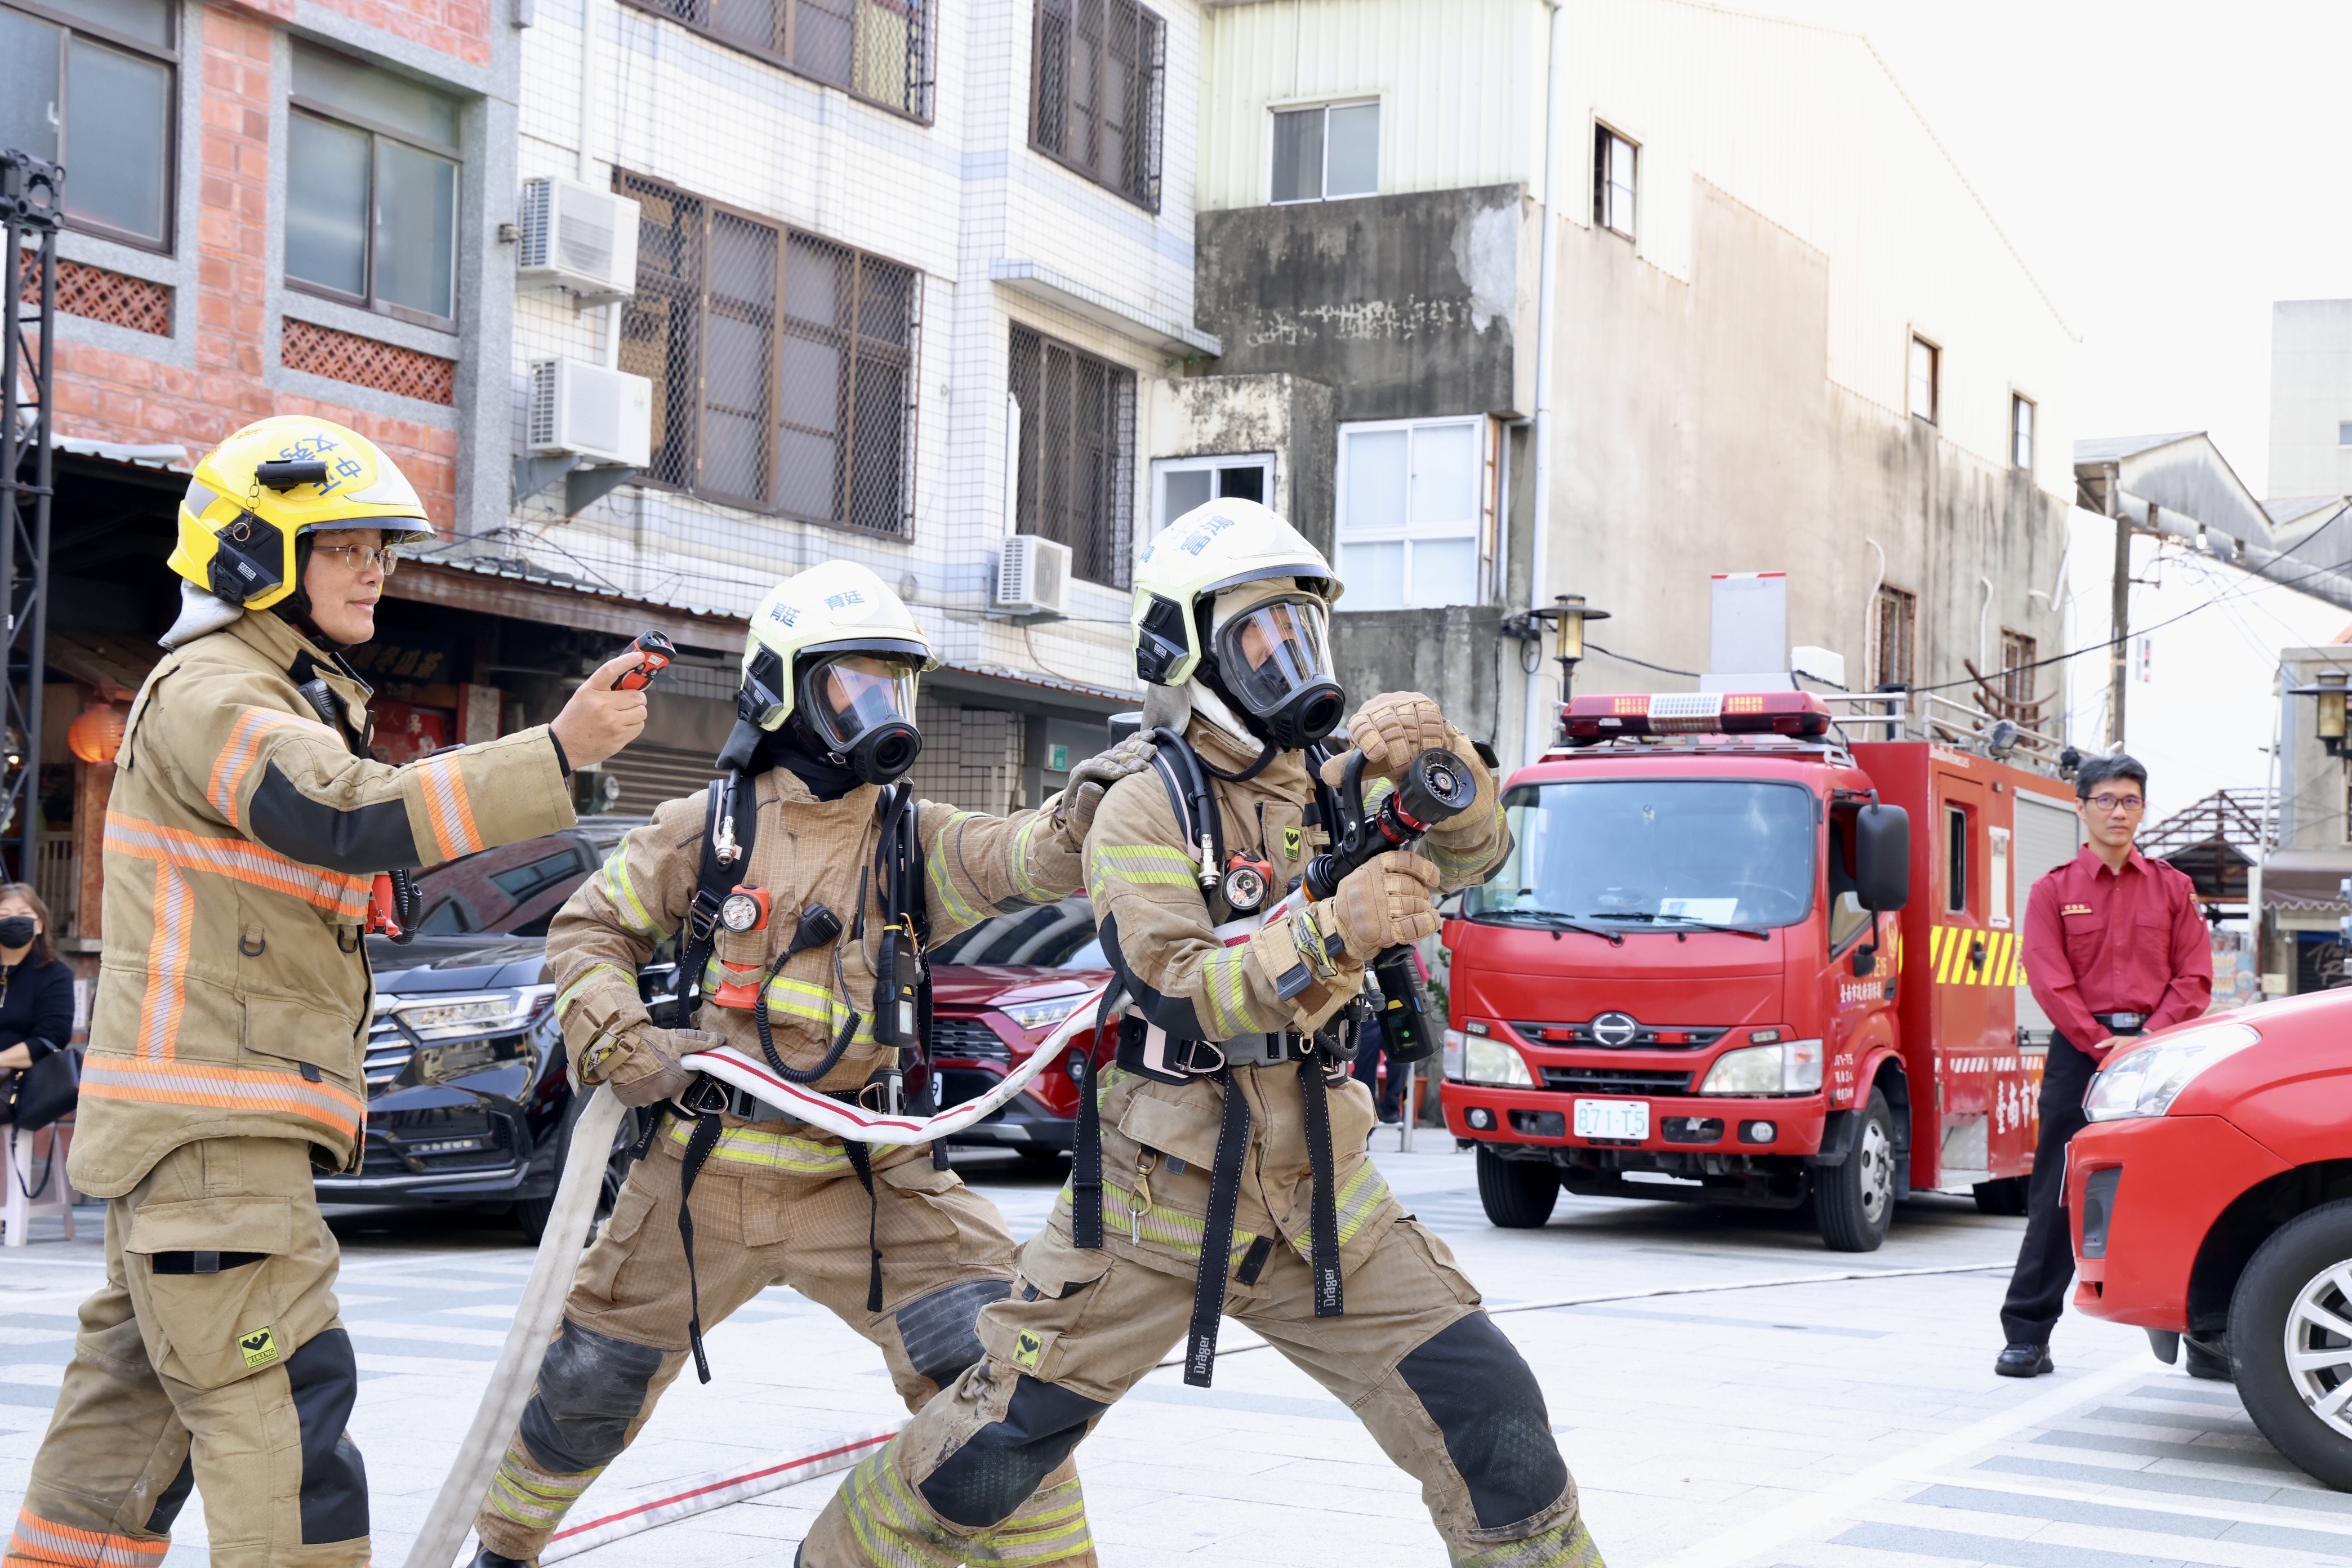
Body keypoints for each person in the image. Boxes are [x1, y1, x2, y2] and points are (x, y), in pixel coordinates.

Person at [799, 500, 1603, 1568]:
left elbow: (1474, 855)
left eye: (1301, 631)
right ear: (1188, 648)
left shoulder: (1332, 783)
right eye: (1259, 636)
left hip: (1326, 1190)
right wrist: (1331, 931)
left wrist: (1447, 773)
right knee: (989, 1451)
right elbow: (1177, 984)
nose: (1290, 659)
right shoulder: (1142, 802)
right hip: (1152, 1201)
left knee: (1501, 1425)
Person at [6, 415, 649, 1568]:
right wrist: (555, 754)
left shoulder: (268, 691)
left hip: (199, 1140)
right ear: (256, 555)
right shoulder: (216, 691)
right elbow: (343, 814)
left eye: (382, 547)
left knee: (117, 1455)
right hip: (215, 1141)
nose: (377, 569)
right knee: (288, 1429)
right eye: (344, 543)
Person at [465, 560, 1152, 1568]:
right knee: (589, 1379)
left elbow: (1025, 856)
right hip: (705, 1172)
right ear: (781, 691)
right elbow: (588, 928)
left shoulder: (912, 841)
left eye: (895, 683)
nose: (883, 708)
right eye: (855, 683)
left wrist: (1087, 815)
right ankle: (501, 1548)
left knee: (1001, 1372)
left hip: (867, 1175)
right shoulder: (705, 830)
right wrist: (621, 1037)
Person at [1996, 751, 2211, 1377]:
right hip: (2078, 1057)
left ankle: (2206, 1335)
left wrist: (2146, 1040)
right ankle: (2027, 1335)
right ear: (2081, 805)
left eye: (2131, 801)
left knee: (2176, 1191)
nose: (2119, 812)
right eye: (2107, 800)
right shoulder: (2053, 891)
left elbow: (2193, 976)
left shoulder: (2173, 888)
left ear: (2143, 809)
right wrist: (2100, 1043)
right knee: (2058, 1192)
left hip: (2160, 1054)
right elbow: (2048, 976)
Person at [0, 883, 75, 1077]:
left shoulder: (56, 975)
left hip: (21, 1089)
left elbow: (51, 1038)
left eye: (24, 914)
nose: (14, 921)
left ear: (40, 925)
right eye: (4, 915)